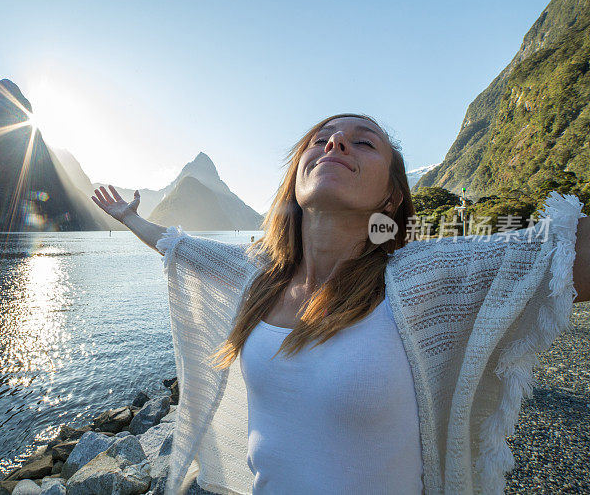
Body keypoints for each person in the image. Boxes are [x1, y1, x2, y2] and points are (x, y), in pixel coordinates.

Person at [91, 113, 590, 495]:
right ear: (297, 177)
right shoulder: (259, 277)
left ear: (393, 198)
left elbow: (556, 253)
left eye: (363, 141)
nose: (335, 142)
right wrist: (133, 220)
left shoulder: (422, 280)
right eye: (321, 138)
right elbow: (187, 250)